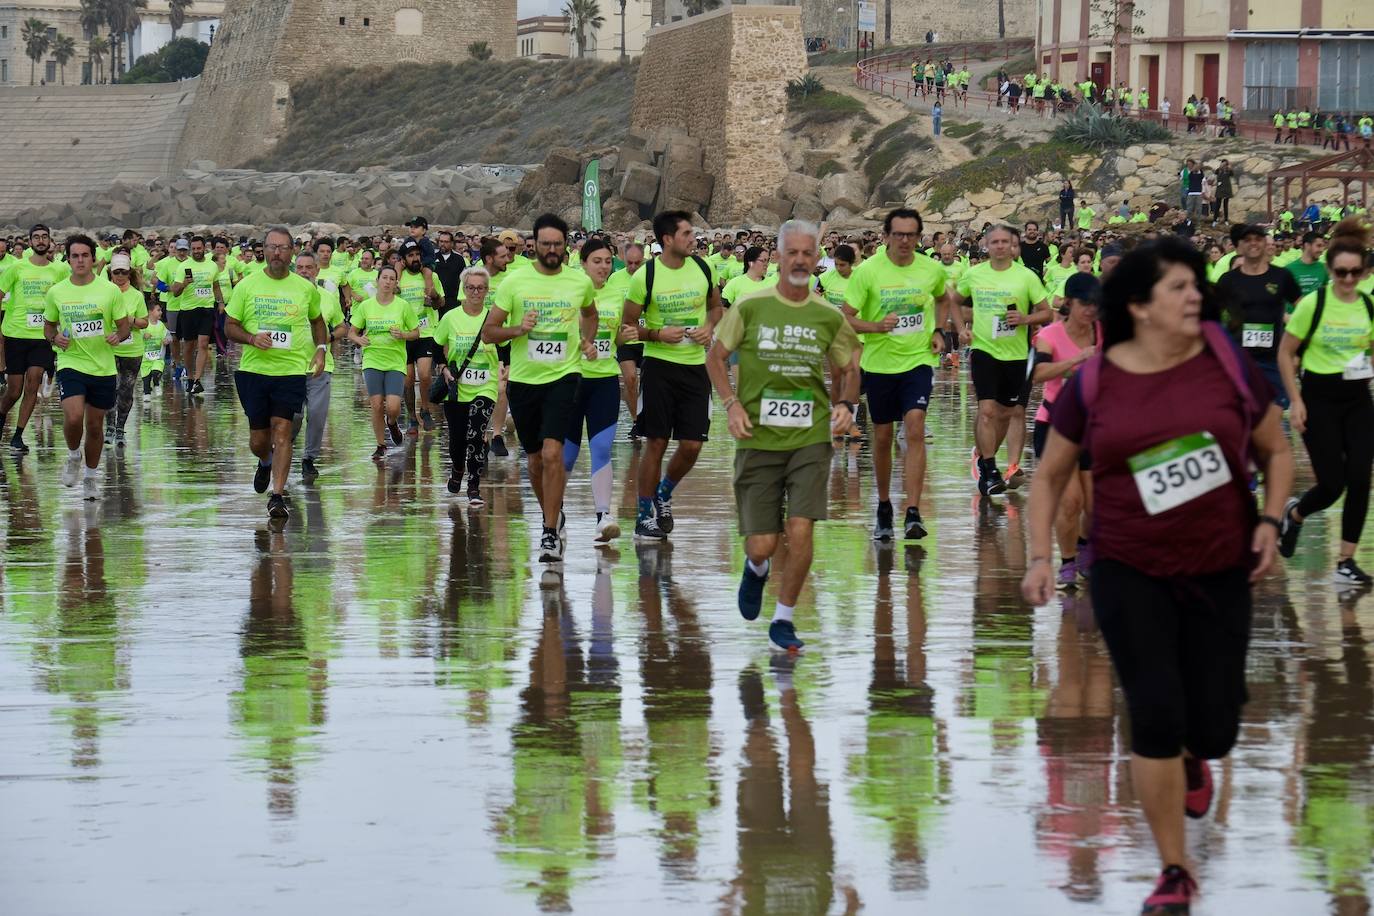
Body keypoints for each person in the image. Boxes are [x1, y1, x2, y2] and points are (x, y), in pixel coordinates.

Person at [1023, 237, 1292, 916]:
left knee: (1213, 727)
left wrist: (1268, 520)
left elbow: (1276, 449)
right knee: (1152, 713)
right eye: (1177, 287)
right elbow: (1050, 476)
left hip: (1219, 561)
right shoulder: (1095, 379)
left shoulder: (1225, 360)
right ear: (1139, 305)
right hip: (1127, 566)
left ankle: (1197, 757)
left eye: (1196, 285)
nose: (1194, 295)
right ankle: (1174, 869)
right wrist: (1038, 559)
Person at [706, 219, 860, 653]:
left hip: (811, 437)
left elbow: (850, 368)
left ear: (816, 259)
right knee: (764, 542)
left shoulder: (827, 316)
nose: (798, 260)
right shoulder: (751, 307)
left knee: (802, 529)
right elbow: (715, 358)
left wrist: (847, 405)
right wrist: (731, 404)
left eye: (806, 253)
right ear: (777, 256)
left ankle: (785, 618)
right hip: (757, 436)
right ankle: (756, 569)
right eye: (790, 252)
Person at [482, 213, 598, 563]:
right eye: (545, 244)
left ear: (566, 246)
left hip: (564, 376)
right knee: (533, 461)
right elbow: (489, 331)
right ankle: (554, 510)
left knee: (552, 454)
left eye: (558, 244)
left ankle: (548, 531)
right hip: (523, 381)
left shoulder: (579, 282)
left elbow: (590, 314)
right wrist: (519, 329)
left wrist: (587, 341)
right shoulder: (514, 282)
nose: (552, 249)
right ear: (534, 245)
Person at [843, 208, 951, 538]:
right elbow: (846, 317)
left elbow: (943, 299)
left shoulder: (931, 269)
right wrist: (875, 326)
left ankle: (914, 511)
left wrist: (939, 331)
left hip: (918, 361)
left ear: (920, 238)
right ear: (886, 236)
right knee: (883, 436)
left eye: (911, 235)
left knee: (915, 424)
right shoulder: (868, 272)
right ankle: (885, 504)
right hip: (879, 364)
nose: (904, 241)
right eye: (898, 234)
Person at [1277, 218, 1374, 584]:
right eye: (1340, 272)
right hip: (1318, 399)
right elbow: (1286, 354)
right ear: (1330, 270)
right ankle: (1295, 515)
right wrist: (1296, 401)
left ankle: (1345, 561)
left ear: (1364, 272)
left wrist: (1366, 367)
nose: (1347, 279)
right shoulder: (1312, 305)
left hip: (1357, 398)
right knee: (1332, 485)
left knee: (1361, 479)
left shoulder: (1367, 305)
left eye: (1354, 272)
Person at [623, 210, 724, 541]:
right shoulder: (645, 277)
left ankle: (664, 493)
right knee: (656, 442)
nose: (693, 239)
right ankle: (643, 516)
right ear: (667, 240)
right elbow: (625, 329)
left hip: (695, 367)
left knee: (692, 445)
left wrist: (709, 329)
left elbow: (715, 307)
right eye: (686, 234)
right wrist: (656, 335)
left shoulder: (702, 267)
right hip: (659, 368)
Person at [224, 226, 328, 519]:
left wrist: (321, 349)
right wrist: (252, 338)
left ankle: (278, 495)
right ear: (264, 250)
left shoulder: (305, 288)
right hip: (254, 371)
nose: (277, 253)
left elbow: (318, 321)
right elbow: (229, 326)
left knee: (283, 431)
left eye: (283, 248)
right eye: (272, 247)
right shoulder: (247, 285)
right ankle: (265, 461)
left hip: (291, 371)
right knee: (258, 440)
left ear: (292, 251)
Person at [956, 223, 1051, 495]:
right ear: (986, 244)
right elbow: (956, 301)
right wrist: (963, 327)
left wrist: (1025, 319)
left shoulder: (1027, 277)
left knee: (1007, 413)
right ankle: (989, 468)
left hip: (1017, 353)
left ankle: (987, 458)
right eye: (994, 241)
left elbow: (1047, 313)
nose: (999, 246)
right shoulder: (973, 274)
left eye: (1004, 242)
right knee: (987, 411)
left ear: (1013, 246)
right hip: (984, 350)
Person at [42, 234, 132, 500]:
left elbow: (124, 325)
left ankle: (91, 477)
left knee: (94, 427)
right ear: (68, 260)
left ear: (93, 259)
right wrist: (54, 337)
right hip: (71, 362)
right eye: (74, 256)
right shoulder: (57, 292)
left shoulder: (110, 290)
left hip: (103, 367)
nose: (80, 260)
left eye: (84, 255)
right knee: (72, 417)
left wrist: (119, 335)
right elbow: (48, 326)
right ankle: (72, 456)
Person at [1031, 272, 1100, 589]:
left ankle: (1085, 545)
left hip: (1094, 427)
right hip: (1056, 426)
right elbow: (1039, 373)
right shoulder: (1049, 335)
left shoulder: (1103, 332)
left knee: (1095, 504)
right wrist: (1078, 359)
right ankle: (1068, 563)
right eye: (1085, 304)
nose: (1091, 310)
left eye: (1096, 304)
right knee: (1070, 501)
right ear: (1069, 303)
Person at [564, 238, 629, 545]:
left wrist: (625, 337)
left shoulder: (617, 293)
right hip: (571, 380)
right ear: (583, 263)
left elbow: (617, 338)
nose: (604, 267)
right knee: (567, 454)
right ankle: (556, 513)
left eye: (608, 261)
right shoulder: (571, 291)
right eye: (597, 261)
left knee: (602, 447)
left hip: (605, 379)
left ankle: (603, 517)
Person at [1215, 224, 1301, 408]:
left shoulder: (1282, 276)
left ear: (1266, 244)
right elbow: (1211, 315)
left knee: (1276, 412)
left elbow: (1303, 310)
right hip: (1238, 359)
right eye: (1247, 240)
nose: (1253, 244)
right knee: (1242, 413)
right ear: (1238, 246)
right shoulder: (1228, 280)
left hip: (1274, 359)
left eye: (1258, 239)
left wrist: (1295, 350)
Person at [0, 224, 69, 452]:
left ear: (50, 242)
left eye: (44, 237)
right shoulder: (16, 268)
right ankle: (2, 416)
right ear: (30, 242)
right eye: (36, 237)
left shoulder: (59, 270)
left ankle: (18, 436)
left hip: (43, 336)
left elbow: (67, 298)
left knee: (34, 380)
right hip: (16, 334)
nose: (41, 240)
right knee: (14, 391)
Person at [435, 266, 499, 503]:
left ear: (487, 291)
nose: (475, 292)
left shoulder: (493, 317)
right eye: (471, 287)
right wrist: (443, 368)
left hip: (486, 385)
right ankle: (457, 469)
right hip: (457, 387)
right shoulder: (451, 317)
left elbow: (505, 345)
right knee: (457, 440)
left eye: (480, 288)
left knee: (476, 434)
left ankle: (474, 485)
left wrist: (506, 366)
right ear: (464, 289)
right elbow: (436, 347)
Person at [348, 264, 419, 459]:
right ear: (377, 280)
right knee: (377, 405)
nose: (387, 282)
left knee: (393, 407)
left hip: (395, 360)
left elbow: (415, 333)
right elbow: (351, 332)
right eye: (384, 278)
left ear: (396, 283)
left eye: (391, 279)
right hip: (372, 359)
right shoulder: (366, 306)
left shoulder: (403, 306)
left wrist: (403, 334)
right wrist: (358, 339)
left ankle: (392, 422)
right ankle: (380, 445)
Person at [288, 249, 347, 483]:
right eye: (299, 267)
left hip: (320, 366)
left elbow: (343, 326)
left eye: (308, 268)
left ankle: (308, 459)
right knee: (293, 417)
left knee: (317, 413)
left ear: (317, 270)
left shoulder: (327, 296)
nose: (304, 272)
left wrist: (327, 339)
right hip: (289, 366)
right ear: (294, 269)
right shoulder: (285, 294)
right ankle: (284, 445)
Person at [168, 235, 223, 396]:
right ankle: (190, 377)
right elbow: (175, 291)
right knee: (189, 347)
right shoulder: (184, 266)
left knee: (204, 343)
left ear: (204, 248)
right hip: (188, 310)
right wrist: (184, 284)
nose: (197, 251)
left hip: (206, 309)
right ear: (191, 250)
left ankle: (198, 380)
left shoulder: (212, 265)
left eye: (200, 248)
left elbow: (216, 286)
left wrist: (220, 303)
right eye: (195, 249)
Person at [103, 252, 148, 449]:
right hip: (108, 349)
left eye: (124, 272)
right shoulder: (103, 292)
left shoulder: (137, 296)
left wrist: (131, 321)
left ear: (130, 273)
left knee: (126, 391)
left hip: (131, 350)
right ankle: (109, 428)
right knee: (109, 389)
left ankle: (120, 428)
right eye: (116, 272)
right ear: (110, 273)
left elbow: (145, 322)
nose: (120, 276)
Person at [1285, 230, 1329, 298]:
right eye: (1318, 246)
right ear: (1307, 245)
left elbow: (1325, 294)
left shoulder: (1324, 268)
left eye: (1323, 246)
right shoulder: (1289, 269)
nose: (1322, 250)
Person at [140, 302, 167, 399]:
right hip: (145, 358)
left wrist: (166, 340)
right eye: (158, 310)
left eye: (161, 310)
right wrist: (143, 335)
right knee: (146, 379)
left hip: (158, 357)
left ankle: (156, 384)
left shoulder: (161, 325)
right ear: (150, 312)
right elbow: (137, 336)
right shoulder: (144, 324)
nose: (161, 312)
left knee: (156, 372)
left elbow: (169, 336)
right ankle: (146, 394)